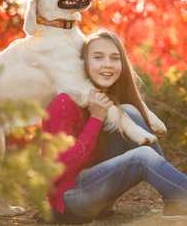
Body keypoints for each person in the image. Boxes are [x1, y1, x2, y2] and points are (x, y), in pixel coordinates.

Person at [34, 29, 187, 224]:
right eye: (98, 57)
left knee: (128, 111)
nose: (107, 64)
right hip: (71, 199)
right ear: (84, 63)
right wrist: (96, 119)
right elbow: (59, 168)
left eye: (115, 58)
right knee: (143, 157)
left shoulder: (110, 103)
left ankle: (175, 200)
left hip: (99, 195)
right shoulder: (64, 103)